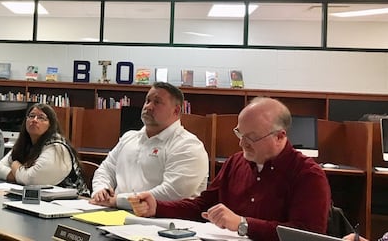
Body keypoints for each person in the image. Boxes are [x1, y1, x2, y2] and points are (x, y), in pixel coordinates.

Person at [128, 97, 330, 241]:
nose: (242, 144)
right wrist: (158, 207)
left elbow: (307, 234)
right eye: (239, 134)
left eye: (251, 137)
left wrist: (244, 224)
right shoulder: (236, 163)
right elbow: (203, 207)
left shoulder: (307, 175)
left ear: (280, 137)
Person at [90, 82, 209, 209]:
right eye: (147, 100)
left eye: (157, 102)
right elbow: (106, 169)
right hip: (115, 213)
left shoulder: (188, 145)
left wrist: (118, 201)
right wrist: (100, 190)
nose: (149, 106)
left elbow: (172, 193)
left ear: (176, 110)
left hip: (164, 222)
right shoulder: (129, 137)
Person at [0, 103, 89, 196]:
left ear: (51, 125)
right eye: (31, 116)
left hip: (71, 203)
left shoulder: (57, 147)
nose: (34, 120)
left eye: (41, 118)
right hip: (38, 199)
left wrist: (15, 165)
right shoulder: (24, 143)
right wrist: (19, 176)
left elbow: (32, 180)